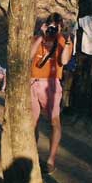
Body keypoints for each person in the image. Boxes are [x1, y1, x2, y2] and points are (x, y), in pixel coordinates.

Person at [30, 12, 73, 174]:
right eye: (51, 26)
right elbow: (29, 56)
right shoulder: (37, 39)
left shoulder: (63, 40)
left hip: (52, 84)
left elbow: (64, 61)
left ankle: (51, 159)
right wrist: (41, 36)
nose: (53, 29)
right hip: (32, 82)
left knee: (54, 122)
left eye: (57, 26)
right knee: (32, 122)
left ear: (61, 27)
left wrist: (68, 41)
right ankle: (33, 155)